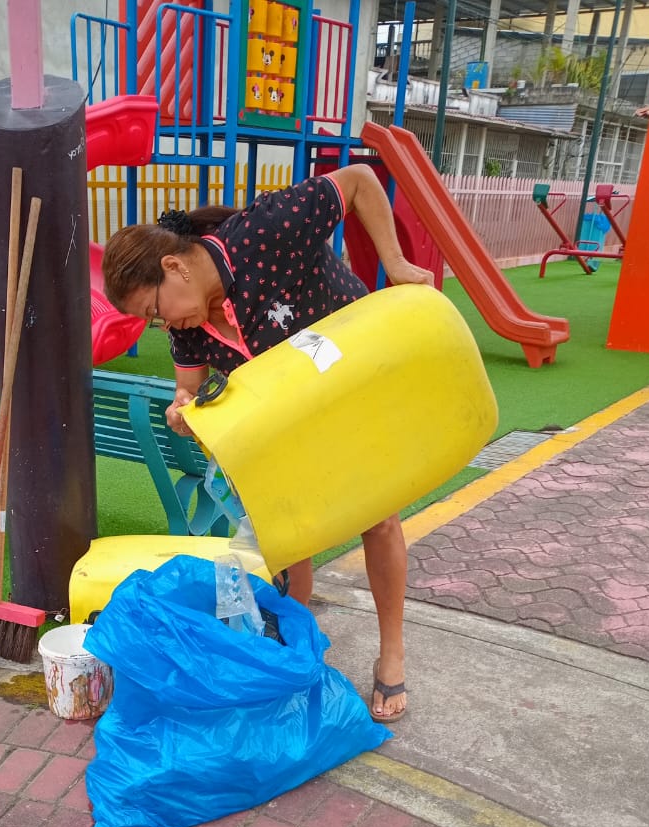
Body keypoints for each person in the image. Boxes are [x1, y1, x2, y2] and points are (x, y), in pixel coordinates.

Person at [101, 166, 433, 723]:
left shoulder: (262, 233)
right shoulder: (187, 323)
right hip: (285, 419)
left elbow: (357, 181)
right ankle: (291, 649)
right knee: (286, 531)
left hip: (353, 384)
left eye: (154, 311)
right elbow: (188, 387)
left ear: (174, 266)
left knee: (378, 521)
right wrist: (182, 407)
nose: (164, 325)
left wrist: (394, 264)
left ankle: (392, 653)